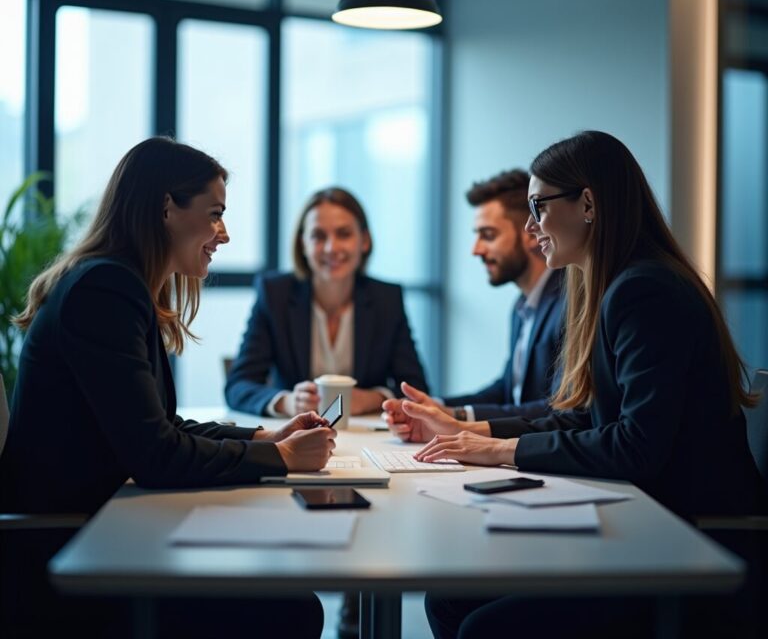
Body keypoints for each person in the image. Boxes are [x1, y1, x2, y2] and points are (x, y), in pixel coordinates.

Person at [399, 131, 768, 639]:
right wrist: (478, 435)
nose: (530, 227)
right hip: (644, 524)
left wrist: (502, 450)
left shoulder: (645, 291)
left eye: (538, 206)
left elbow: (635, 447)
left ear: (588, 204)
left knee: (482, 625)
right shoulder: (618, 285)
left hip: (683, 543)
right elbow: (587, 417)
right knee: (448, 598)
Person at [0, 137, 331, 638]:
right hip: (70, 557)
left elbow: (160, 425)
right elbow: (156, 453)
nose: (223, 234)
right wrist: (281, 458)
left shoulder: (116, 283)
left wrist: (266, 438)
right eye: (215, 214)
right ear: (166, 208)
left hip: (103, 531)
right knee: (294, 610)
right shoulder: (105, 291)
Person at [384, 169, 564, 443]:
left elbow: (560, 410)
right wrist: (437, 407)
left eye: (488, 235)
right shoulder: (522, 307)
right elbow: (507, 390)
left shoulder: (569, 304)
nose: (476, 249)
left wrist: (455, 416)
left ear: (530, 232)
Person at [225, 187, 428, 418]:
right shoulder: (275, 294)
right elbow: (238, 386)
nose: (331, 248)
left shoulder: (387, 300)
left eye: (344, 234)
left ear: (364, 241)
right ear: (303, 244)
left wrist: (372, 399)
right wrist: (287, 402)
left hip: (364, 432)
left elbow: (417, 390)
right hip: (294, 432)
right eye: (318, 236)